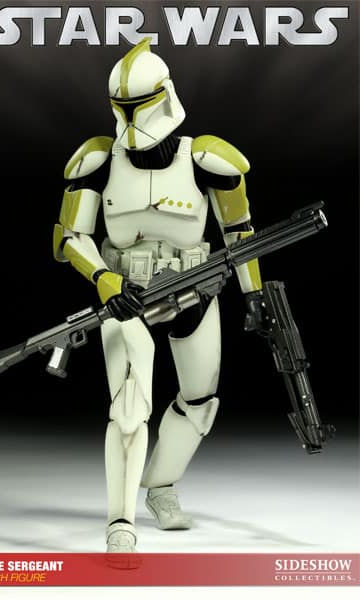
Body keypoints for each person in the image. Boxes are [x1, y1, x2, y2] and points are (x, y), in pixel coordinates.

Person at [53, 37, 263, 552]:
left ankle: (161, 487)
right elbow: (69, 237)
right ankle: (120, 522)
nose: (131, 119)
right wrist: (103, 279)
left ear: (164, 96)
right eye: (121, 107)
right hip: (126, 299)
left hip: (195, 292)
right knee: (128, 410)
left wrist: (253, 293)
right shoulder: (99, 160)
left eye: (139, 105)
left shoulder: (207, 158)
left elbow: (240, 233)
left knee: (200, 403)